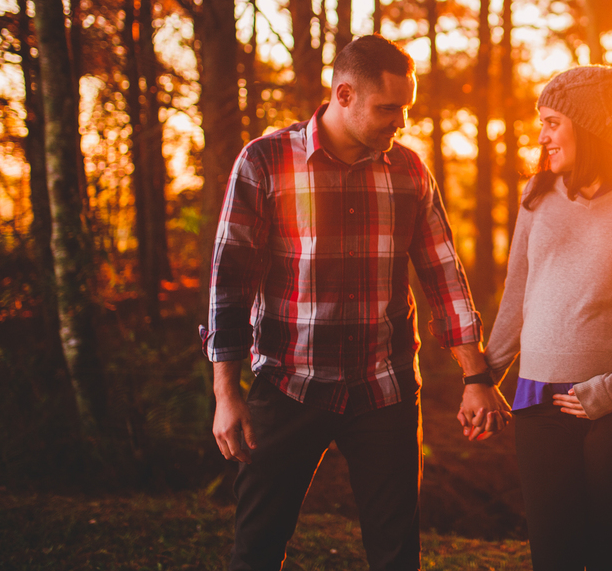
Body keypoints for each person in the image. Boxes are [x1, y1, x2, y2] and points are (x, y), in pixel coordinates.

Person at [202, 35, 511, 571]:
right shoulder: (265, 161)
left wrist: (475, 375)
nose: (402, 123)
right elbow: (229, 286)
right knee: (256, 548)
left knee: (396, 555)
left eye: (406, 108)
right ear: (343, 94)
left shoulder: (409, 171)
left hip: (385, 391)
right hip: (288, 385)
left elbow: (443, 276)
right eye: (389, 109)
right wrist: (225, 393)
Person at [483, 65, 612, 571]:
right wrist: (482, 376)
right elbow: (517, 294)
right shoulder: (536, 195)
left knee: (604, 556)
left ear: (588, 124)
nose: (542, 135)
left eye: (553, 122)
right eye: (542, 123)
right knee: (553, 557)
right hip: (537, 403)